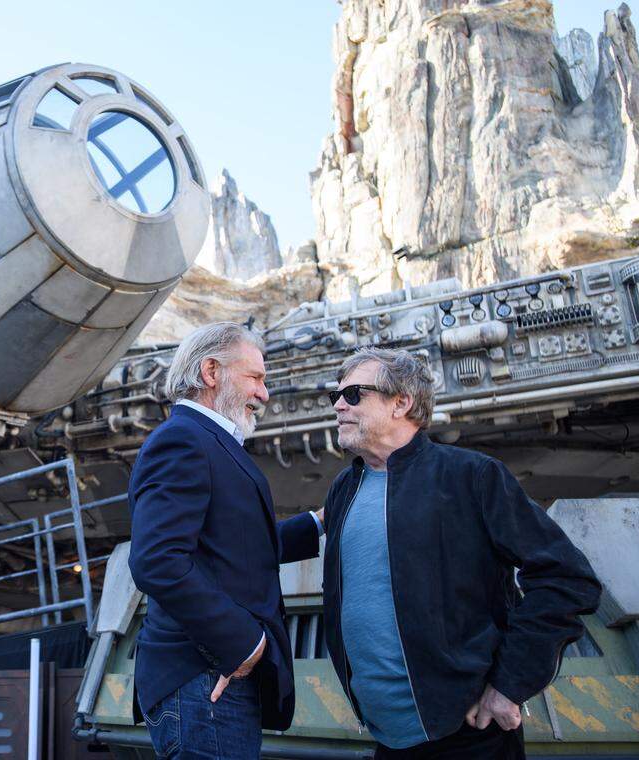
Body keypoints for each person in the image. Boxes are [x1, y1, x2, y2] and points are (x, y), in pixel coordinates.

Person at [321, 347, 601, 759]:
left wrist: (510, 685)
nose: (339, 405)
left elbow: (567, 578)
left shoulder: (471, 476)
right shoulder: (345, 488)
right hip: (386, 737)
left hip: (469, 734)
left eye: (355, 394)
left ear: (402, 402)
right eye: (336, 397)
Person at [128, 322, 324, 759]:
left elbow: (234, 549)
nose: (264, 394)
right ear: (212, 372)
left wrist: (318, 523)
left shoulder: (206, 441)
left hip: (211, 683)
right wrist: (245, 644)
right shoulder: (183, 440)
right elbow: (157, 561)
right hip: (206, 680)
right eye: (255, 378)